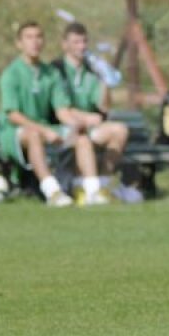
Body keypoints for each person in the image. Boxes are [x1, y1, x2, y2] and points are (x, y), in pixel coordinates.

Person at [51, 21, 139, 203]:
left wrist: (105, 81)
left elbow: (104, 107)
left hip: (88, 126)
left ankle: (104, 182)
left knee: (119, 130)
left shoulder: (90, 71)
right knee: (81, 138)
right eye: (76, 42)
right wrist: (87, 118)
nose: (81, 47)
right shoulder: (56, 70)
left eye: (84, 42)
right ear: (64, 44)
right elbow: (62, 110)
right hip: (63, 128)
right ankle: (91, 190)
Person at [0, 22, 81, 207]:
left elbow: (61, 110)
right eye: (29, 37)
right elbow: (13, 115)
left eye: (39, 36)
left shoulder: (50, 73)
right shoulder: (11, 74)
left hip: (44, 127)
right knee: (33, 135)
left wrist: (75, 126)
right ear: (19, 43)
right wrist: (44, 131)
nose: (35, 42)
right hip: (14, 132)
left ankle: (89, 189)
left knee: (81, 138)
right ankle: (53, 192)